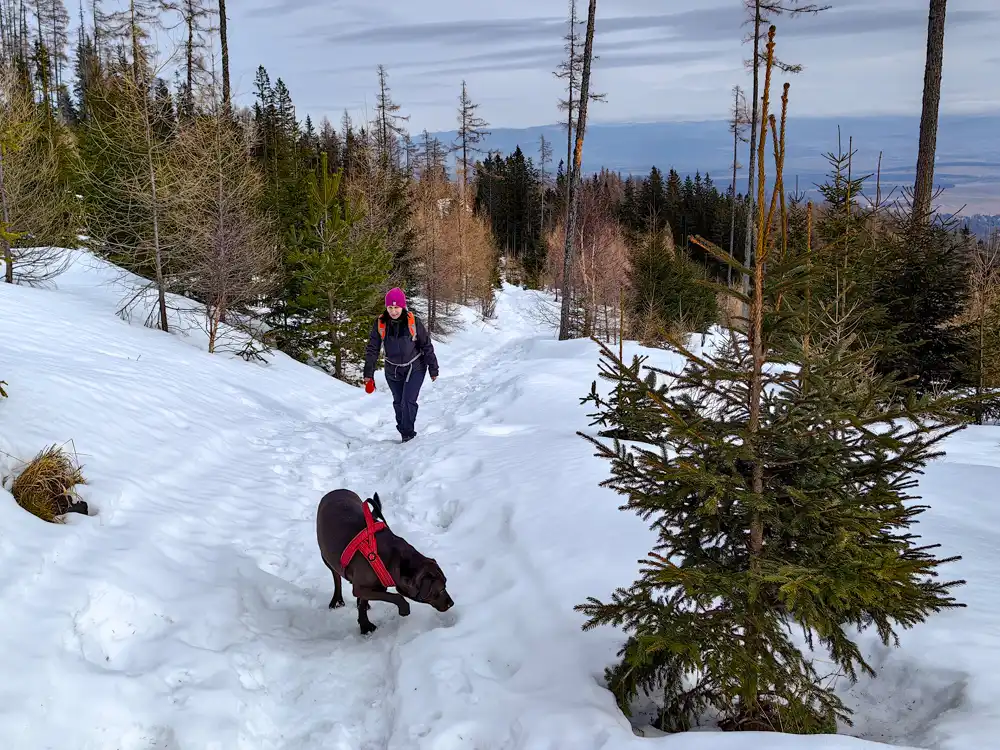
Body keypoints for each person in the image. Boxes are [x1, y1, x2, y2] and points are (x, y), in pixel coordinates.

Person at [363, 288, 439, 443]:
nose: (393, 311)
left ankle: (408, 435)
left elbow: (426, 345)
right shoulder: (381, 323)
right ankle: (404, 431)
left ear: (402, 306)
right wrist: (368, 373)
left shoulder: (413, 322)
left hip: (415, 366)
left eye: (396, 307)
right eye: (390, 307)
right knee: (398, 402)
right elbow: (372, 349)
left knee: (408, 401)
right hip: (392, 369)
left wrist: (433, 367)